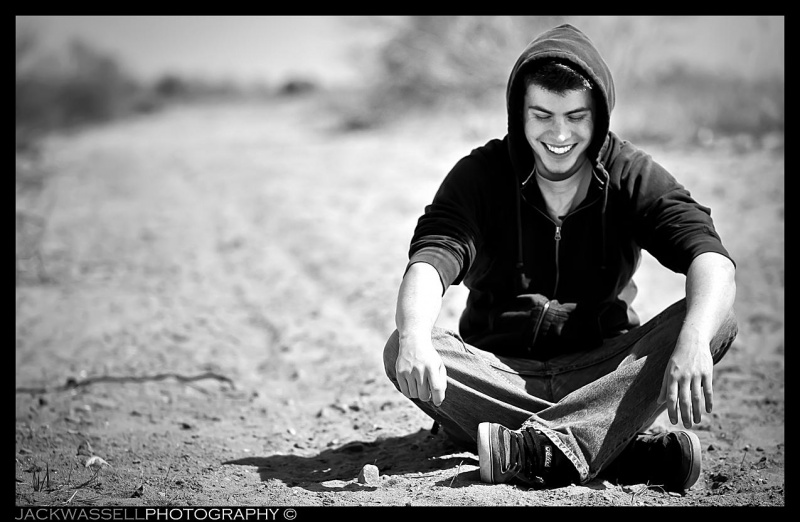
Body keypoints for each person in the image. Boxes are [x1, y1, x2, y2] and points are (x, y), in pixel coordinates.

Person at [382, 23, 738, 492]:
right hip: (499, 371)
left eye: (576, 116)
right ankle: (614, 446)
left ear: (599, 116)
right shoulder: (481, 175)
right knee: (401, 346)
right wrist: (413, 335)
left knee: (715, 320)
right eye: (542, 115)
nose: (559, 133)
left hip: (601, 374)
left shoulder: (631, 173)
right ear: (518, 113)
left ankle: (535, 448)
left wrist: (693, 340)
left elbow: (709, 257)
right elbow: (432, 258)